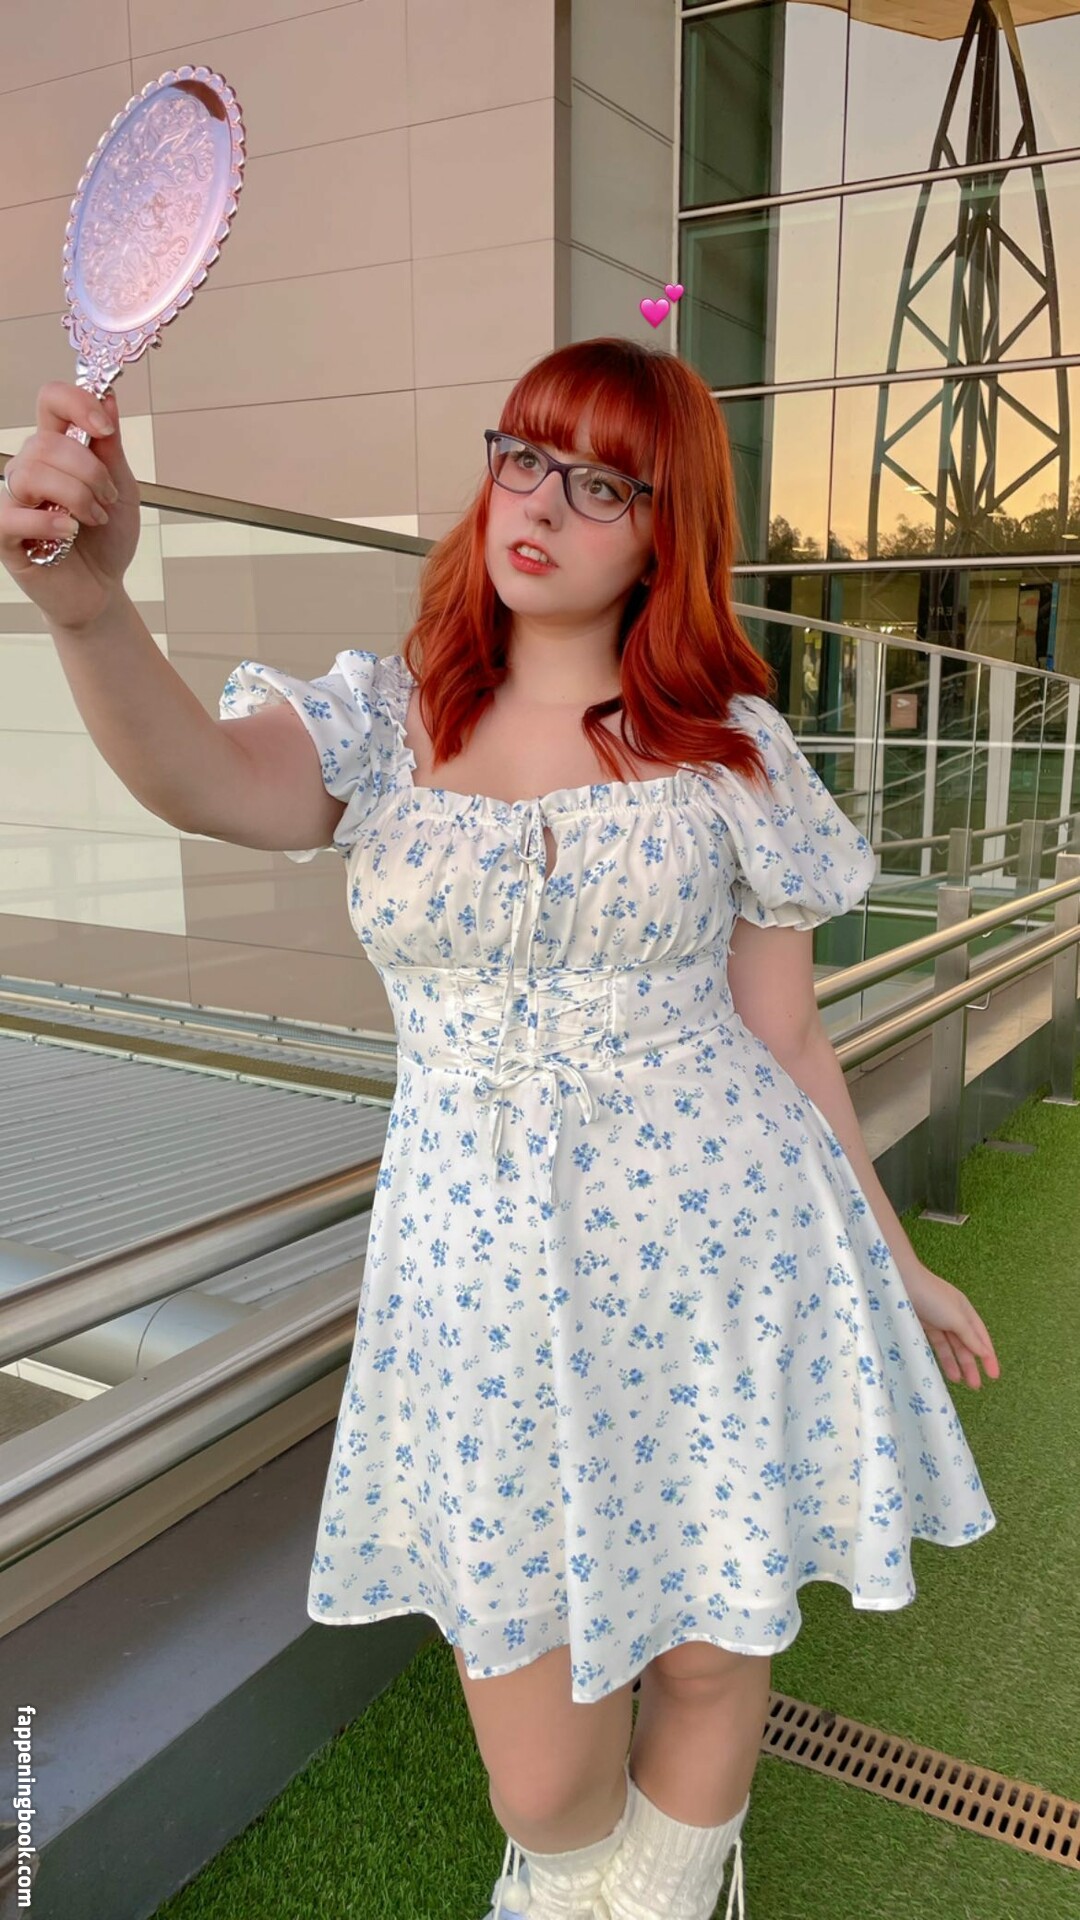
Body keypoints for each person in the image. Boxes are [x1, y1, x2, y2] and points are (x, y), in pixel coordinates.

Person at [0, 342, 1000, 1920]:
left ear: (664, 533)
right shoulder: (389, 720)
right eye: (525, 457)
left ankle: (671, 1894)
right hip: (477, 1295)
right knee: (539, 1775)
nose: (542, 504)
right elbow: (205, 781)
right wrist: (87, 607)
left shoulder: (729, 750)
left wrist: (900, 1264)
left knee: (704, 1650)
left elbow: (788, 1039)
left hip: (718, 1262)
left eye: (604, 485)